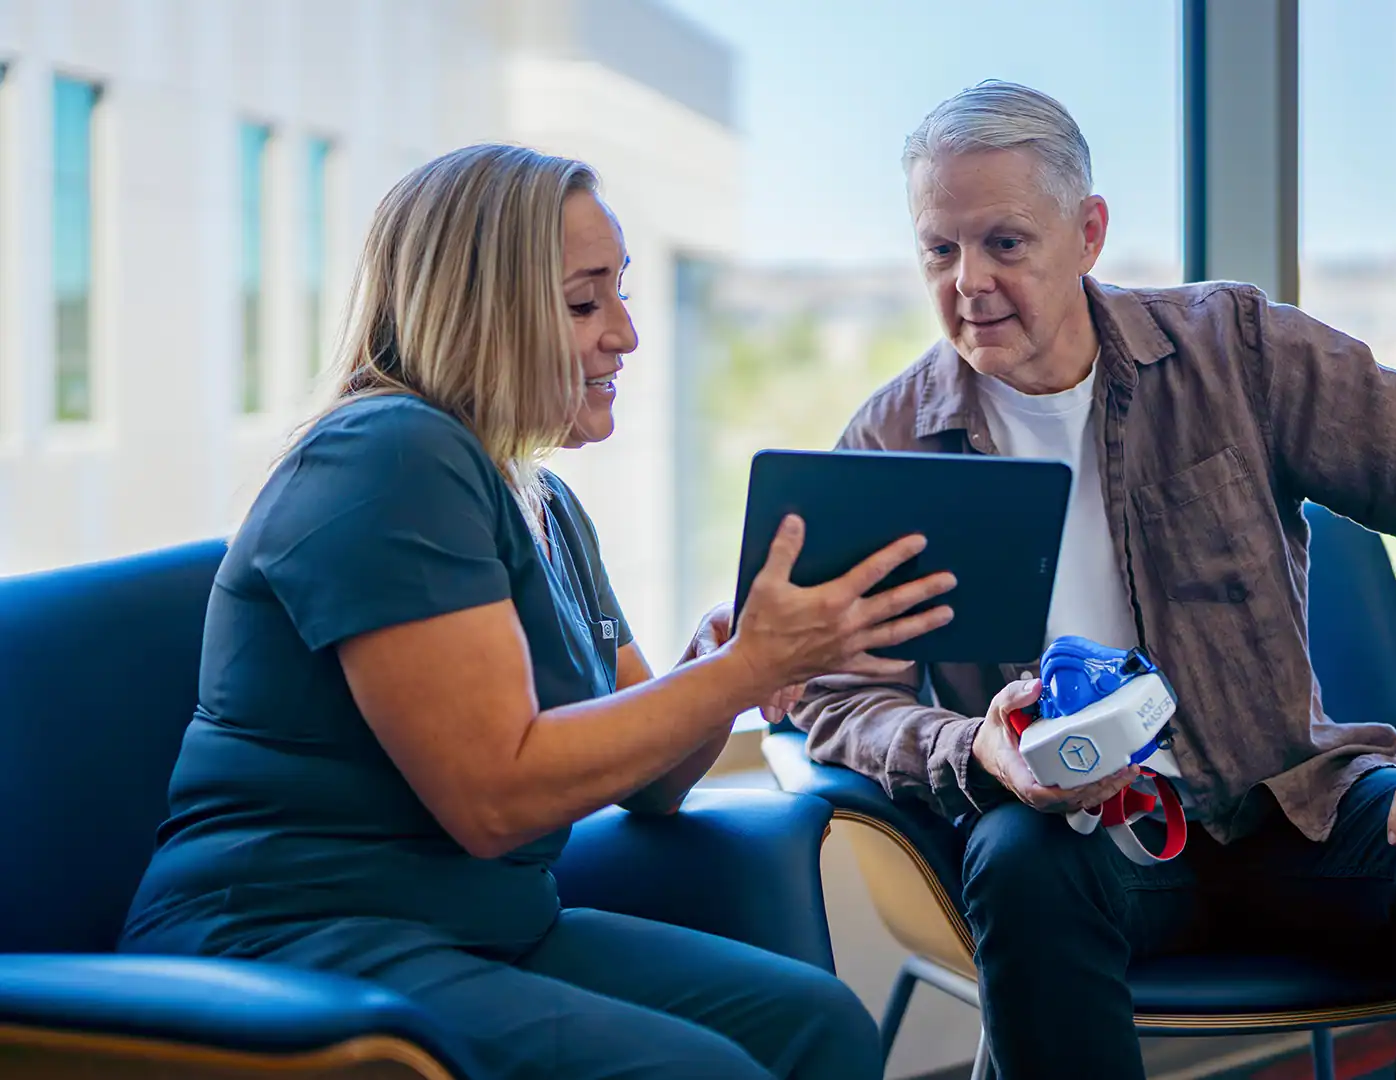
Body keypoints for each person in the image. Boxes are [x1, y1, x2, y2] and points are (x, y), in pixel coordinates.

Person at [792, 81, 1396, 1080]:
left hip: (1289, 807)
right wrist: (975, 749)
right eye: (939, 251)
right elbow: (838, 698)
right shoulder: (891, 443)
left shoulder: (1235, 351)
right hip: (1078, 847)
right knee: (1016, 860)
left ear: (1088, 233)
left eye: (1005, 243)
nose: (970, 284)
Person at [116, 144, 960, 1080]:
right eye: (583, 302)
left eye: (621, 293)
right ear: (484, 314)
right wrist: (743, 669)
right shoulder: (388, 457)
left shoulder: (543, 501)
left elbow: (653, 784)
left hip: (478, 930)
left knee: (816, 1025)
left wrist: (725, 676)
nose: (626, 335)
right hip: (294, 940)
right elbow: (495, 799)